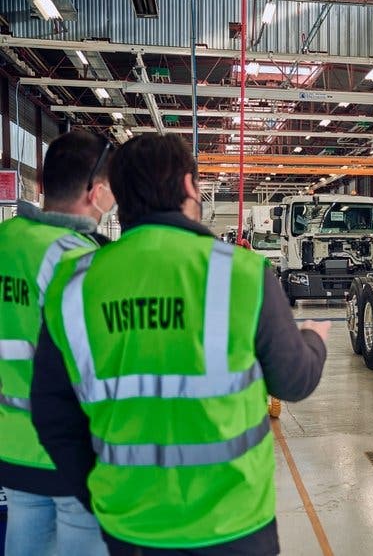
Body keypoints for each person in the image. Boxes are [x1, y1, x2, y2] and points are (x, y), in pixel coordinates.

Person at [30, 134, 330, 555]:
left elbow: (51, 413)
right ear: (190, 187)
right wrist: (313, 339)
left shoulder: (74, 284)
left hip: (130, 525)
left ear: (117, 197)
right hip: (234, 523)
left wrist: (101, 495)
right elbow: (294, 380)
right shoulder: (240, 273)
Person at [0, 130, 115, 556]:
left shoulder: (5, 240)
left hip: (10, 447)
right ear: (99, 193)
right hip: (70, 449)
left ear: (43, 186)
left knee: (24, 536)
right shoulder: (81, 258)